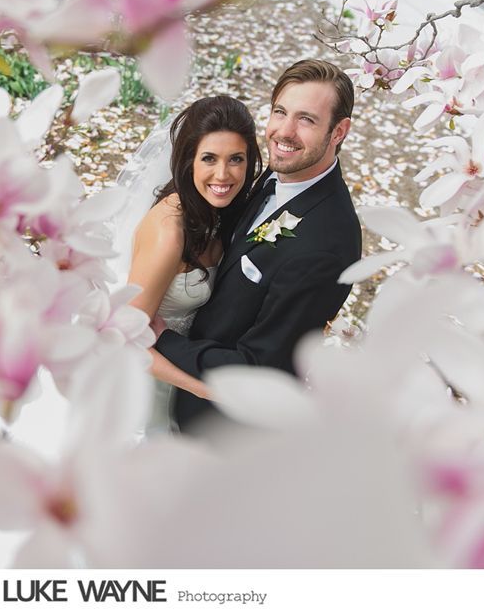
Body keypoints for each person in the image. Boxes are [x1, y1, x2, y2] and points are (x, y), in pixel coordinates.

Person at [152, 59, 363, 434]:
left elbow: (259, 365)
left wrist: (164, 340)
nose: (284, 132)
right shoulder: (280, 172)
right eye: (280, 112)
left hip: (221, 425)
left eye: (307, 120)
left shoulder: (327, 246)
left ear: (339, 131)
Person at [118, 95, 262, 432]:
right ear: (189, 161)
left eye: (236, 159)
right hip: (144, 382)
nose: (223, 174)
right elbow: (125, 338)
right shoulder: (170, 233)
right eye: (209, 158)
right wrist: (206, 389)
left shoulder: (215, 213)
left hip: (181, 367)